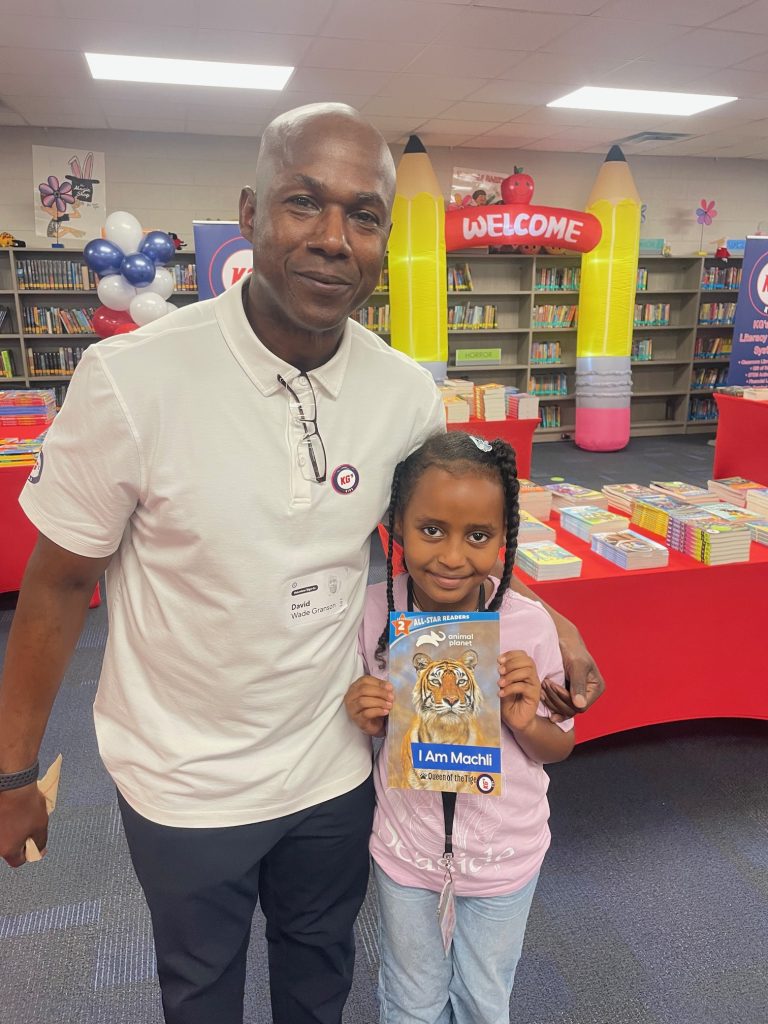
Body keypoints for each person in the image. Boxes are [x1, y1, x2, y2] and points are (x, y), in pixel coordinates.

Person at [0, 103, 602, 1024]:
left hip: (334, 768)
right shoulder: (131, 381)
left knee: (319, 981)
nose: (332, 239)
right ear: (249, 213)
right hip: (184, 779)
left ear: (384, 240)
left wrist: (550, 617)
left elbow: (453, 538)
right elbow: (56, 584)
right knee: (199, 994)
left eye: (363, 216)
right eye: (303, 204)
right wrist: (11, 772)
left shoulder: (403, 393)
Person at [345, 431, 574, 1024]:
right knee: (410, 997)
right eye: (431, 530)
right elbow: (372, 729)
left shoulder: (526, 625)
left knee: (482, 998)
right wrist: (365, 712)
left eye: (478, 536)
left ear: (504, 539)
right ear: (395, 525)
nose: (451, 556)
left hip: (504, 853)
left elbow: (559, 745)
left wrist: (526, 723)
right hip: (406, 850)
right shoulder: (375, 611)